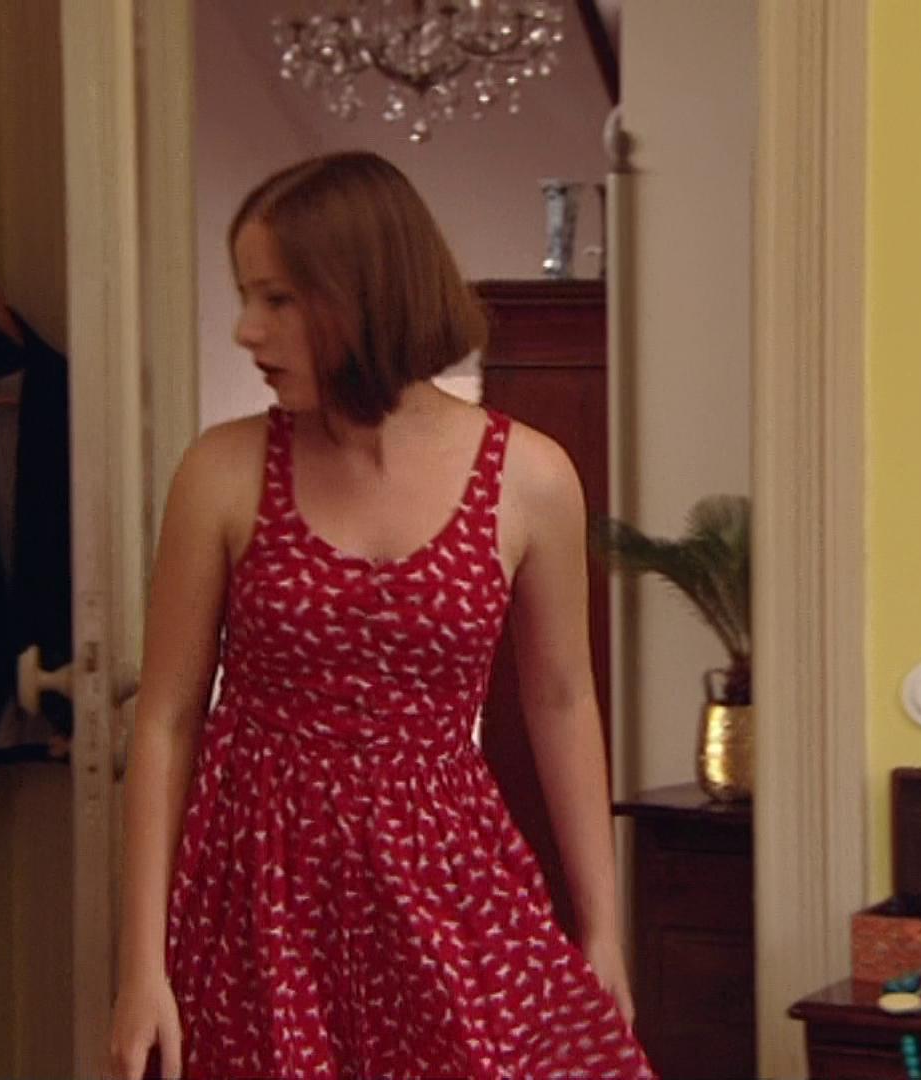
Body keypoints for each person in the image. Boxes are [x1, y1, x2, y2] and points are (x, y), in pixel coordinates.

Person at [107, 150, 655, 1079]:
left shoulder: (530, 476)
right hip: (258, 894)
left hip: (449, 884)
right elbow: (165, 718)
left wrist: (602, 929)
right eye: (245, 296)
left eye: (278, 300)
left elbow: (562, 699)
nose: (246, 330)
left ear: (365, 295)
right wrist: (140, 966)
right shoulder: (222, 472)